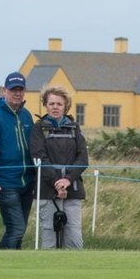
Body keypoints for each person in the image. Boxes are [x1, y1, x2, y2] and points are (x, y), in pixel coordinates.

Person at [28, 87, 89, 249]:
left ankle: (74, 271)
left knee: (74, 237)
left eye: (59, 104)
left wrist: (67, 180)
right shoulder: (38, 128)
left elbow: (83, 159)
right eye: (51, 103)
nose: (55, 107)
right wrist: (57, 182)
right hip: (47, 190)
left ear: (66, 106)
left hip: (73, 189)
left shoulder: (75, 128)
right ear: (45, 105)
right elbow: (39, 157)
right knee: (49, 237)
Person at [0, 72, 35, 250]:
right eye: (13, 90)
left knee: (20, 230)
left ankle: (15, 268)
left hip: (27, 183)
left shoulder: (26, 115)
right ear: (5, 91)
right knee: (16, 228)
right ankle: (0, 263)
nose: (17, 93)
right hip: (5, 183)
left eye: (20, 90)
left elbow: (33, 147)